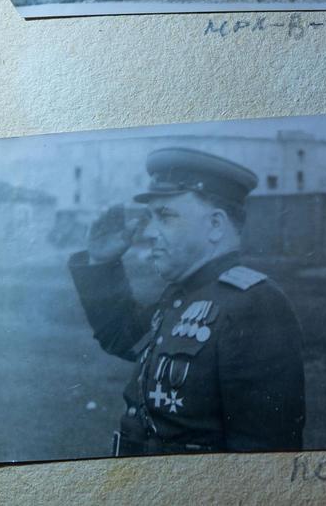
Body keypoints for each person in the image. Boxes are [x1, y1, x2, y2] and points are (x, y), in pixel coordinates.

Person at [69, 148, 306, 456]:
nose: (150, 232)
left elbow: (264, 455)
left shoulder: (255, 305)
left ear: (216, 226)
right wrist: (101, 262)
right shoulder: (185, 295)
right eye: (150, 217)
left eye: (165, 216)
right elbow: (125, 337)